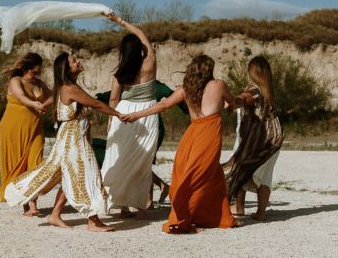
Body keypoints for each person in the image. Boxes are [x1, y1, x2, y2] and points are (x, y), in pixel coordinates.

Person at [4, 52, 122, 232]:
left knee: (71, 175)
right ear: (67, 68)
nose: (78, 62)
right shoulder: (69, 88)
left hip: (72, 137)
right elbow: (96, 104)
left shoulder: (67, 87)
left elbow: (65, 101)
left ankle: (55, 215)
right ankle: (93, 222)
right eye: (74, 61)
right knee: (87, 173)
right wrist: (118, 114)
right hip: (73, 139)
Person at [123, 54, 241, 233]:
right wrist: (237, 102)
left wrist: (136, 115)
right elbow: (232, 104)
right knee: (198, 175)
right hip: (209, 135)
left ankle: (221, 217)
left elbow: (163, 106)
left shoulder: (186, 89)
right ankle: (186, 217)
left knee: (209, 174)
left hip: (192, 134)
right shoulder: (219, 85)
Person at [99, 12, 160, 219]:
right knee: (142, 162)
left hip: (123, 114)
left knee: (120, 159)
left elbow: (113, 99)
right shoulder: (150, 62)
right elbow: (142, 35)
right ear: (140, 49)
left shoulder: (120, 74)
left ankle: (122, 206)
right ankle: (140, 206)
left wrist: (111, 119)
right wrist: (120, 21)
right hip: (146, 114)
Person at [96, 80, 186, 209]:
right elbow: (111, 95)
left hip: (150, 127)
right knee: (133, 161)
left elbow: (172, 95)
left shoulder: (154, 85)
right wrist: (96, 99)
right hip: (131, 125)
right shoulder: (128, 83)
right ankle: (159, 188)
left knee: (144, 162)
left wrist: (189, 108)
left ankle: (148, 201)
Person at [224, 56, 284, 221]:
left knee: (240, 167)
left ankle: (239, 207)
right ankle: (260, 212)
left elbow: (245, 98)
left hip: (259, 138)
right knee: (264, 175)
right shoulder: (268, 91)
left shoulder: (254, 89)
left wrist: (233, 102)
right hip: (274, 138)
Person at [0, 52, 52, 216]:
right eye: (34, 72)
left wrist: (43, 104)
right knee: (19, 165)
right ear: (25, 68)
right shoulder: (16, 81)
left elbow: (54, 96)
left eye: (39, 72)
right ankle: (25, 205)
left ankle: (33, 204)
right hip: (13, 128)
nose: (36, 75)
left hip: (35, 128)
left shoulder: (39, 83)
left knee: (36, 164)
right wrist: (35, 104)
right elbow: (21, 97)